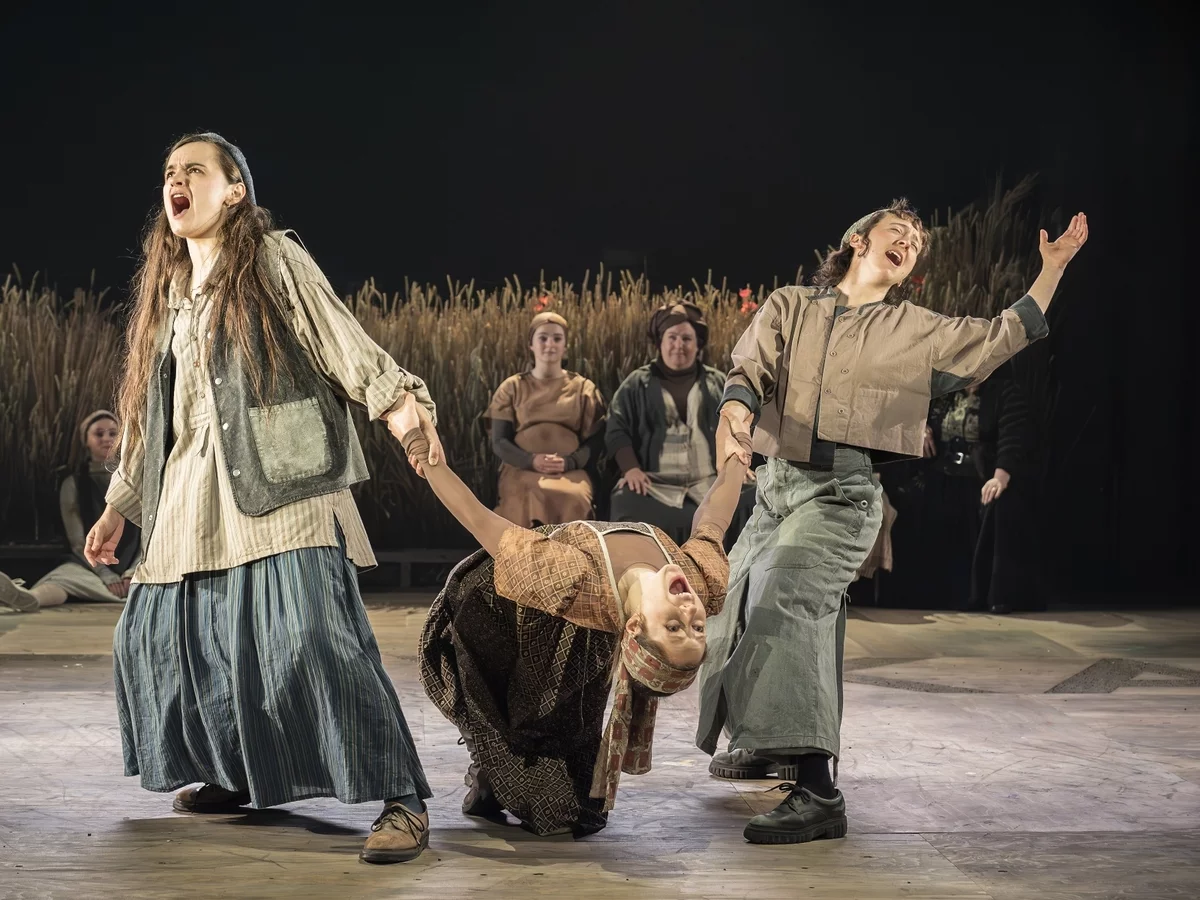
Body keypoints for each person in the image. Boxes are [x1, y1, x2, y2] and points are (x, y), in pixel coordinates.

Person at [82, 133, 439, 864]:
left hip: (281, 481)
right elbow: (154, 418)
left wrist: (400, 405)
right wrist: (120, 504)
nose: (177, 182)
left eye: (195, 170)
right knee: (169, 643)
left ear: (234, 190)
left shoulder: (272, 260)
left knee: (311, 638)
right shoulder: (169, 296)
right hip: (188, 492)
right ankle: (235, 773)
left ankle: (400, 796)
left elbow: (339, 338)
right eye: (169, 173)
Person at [696, 199, 1088, 845]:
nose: (908, 242)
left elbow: (1000, 336)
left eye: (917, 242)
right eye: (897, 231)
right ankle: (770, 746)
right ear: (858, 240)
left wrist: (1052, 270)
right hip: (774, 489)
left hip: (841, 494)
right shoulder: (790, 306)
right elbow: (749, 372)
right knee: (730, 603)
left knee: (785, 594)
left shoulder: (914, 328)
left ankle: (817, 790)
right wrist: (735, 415)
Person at [389, 390, 748, 836]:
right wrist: (736, 454)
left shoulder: (573, 577)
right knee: (521, 725)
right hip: (491, 608)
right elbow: (714, 517)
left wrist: (418, 446)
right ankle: (490, 766)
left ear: (635, 627)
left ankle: (495, 774)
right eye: (696, 627)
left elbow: (478, 519)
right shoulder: (698, 579)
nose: (690, 608)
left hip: (539, 607)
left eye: (674, 626)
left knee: (566, 796)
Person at [606, 301, 756, 548]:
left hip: (710, 480)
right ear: (660, 342)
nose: (679, 345)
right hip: (656, 485)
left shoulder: (718, 383)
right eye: (672, 337)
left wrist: (738, 464)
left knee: (753, 493)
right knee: (624, 500)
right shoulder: (636, 383)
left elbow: (737, 421)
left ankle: (731, 567)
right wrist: (631, 468)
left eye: (686, 338)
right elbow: (617, 428)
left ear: (698, 344)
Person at [0, 411, 141, 612]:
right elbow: (78, 541)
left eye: (113, 433)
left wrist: (131, 572)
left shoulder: (136, 480)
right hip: (90, 567)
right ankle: (30, 598)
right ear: (86, 440)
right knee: (63, 578)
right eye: (99, 434)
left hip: (135, 564)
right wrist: (105, 574)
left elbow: (149, 532)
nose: (106, 439)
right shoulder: (74, 484)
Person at [485, 311, 606, 526]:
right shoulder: (512, 387)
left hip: (570, 471)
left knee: (574, 497)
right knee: (523, 495)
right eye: (543, 338)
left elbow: (596, 440)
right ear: (531, 344)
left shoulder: (583, 389)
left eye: (557, 338)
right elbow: (499, 441)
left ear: (565, 346)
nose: (550, 344)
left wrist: (570, 462)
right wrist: (530, 460)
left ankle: (571, 548)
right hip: (521, 469)